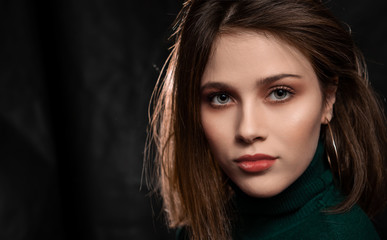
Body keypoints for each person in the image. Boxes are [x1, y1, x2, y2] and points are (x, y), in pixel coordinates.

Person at [145, 0, 387, 239]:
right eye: (221, 98)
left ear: (328, 99)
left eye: (280, 93)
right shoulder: (196, 229)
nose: (248, 130)